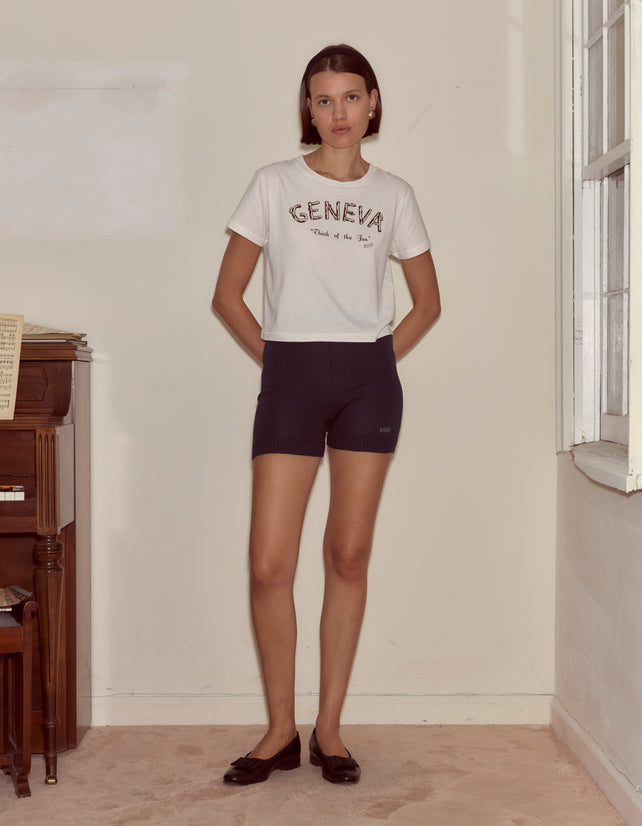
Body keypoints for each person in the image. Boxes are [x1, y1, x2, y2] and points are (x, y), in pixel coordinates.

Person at [213, 44, 440, 786]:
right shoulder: (273, 184)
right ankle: (279, 731)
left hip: (368, 382)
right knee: (268, 563)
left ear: (372, 103)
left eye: (350, 96)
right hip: (291, 376)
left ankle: (330, 730)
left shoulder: (395, 195)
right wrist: (280, 361)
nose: (338, 112)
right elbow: (227, 296)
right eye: (322, 99)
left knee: (348, 554)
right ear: (307, 111)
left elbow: (428, 303)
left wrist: (374, 363)